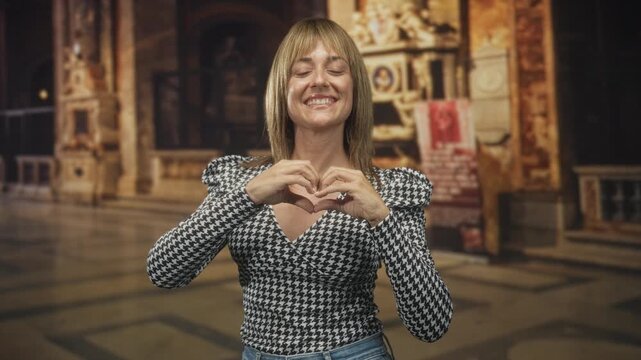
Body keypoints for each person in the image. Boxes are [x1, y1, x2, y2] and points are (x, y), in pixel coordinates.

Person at [147, 18, 453, 359]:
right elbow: (164, 271)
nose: (319, 81)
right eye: (302, 71)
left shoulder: (389, 189)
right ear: (283, 88)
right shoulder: (241, 180)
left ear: (354, 88)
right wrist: (247, 198)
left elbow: (431, 324)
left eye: (336, 70)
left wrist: (381, 218)